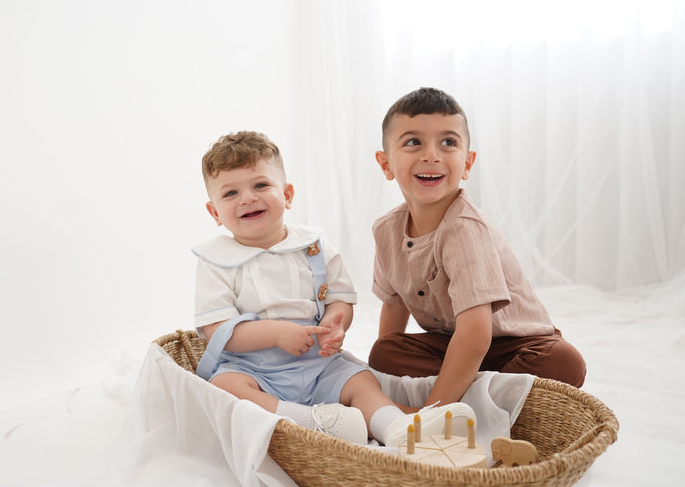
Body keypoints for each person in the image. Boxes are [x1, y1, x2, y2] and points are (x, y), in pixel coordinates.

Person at [192, 131, 474, 447]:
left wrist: (334, 323)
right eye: (230, 193)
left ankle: (398, 429)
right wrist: (275, 334)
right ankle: (309, 423)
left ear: (287, 194)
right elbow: (218, 331)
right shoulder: (216, 261)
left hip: (317, 362)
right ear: (215, 212)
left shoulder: (313, 247)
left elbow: (339, 299)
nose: (247, 198)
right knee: (225, 388)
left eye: (260, 185)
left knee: (362, 381)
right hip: (255, 369)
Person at [368, 87, 587, 408]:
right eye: (413, 142)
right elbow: (395, 305)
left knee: (563, 362)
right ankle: (484, 393)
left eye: (448, 142)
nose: (432, 155)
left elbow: (476, 334)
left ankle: (456, 393)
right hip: (449, 343)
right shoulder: (386, 230)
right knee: (385, 352)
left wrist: (433, 411)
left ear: (467, 163)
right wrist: (383, 380)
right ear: (385, 164)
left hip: (517, 346)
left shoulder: (465, 228)